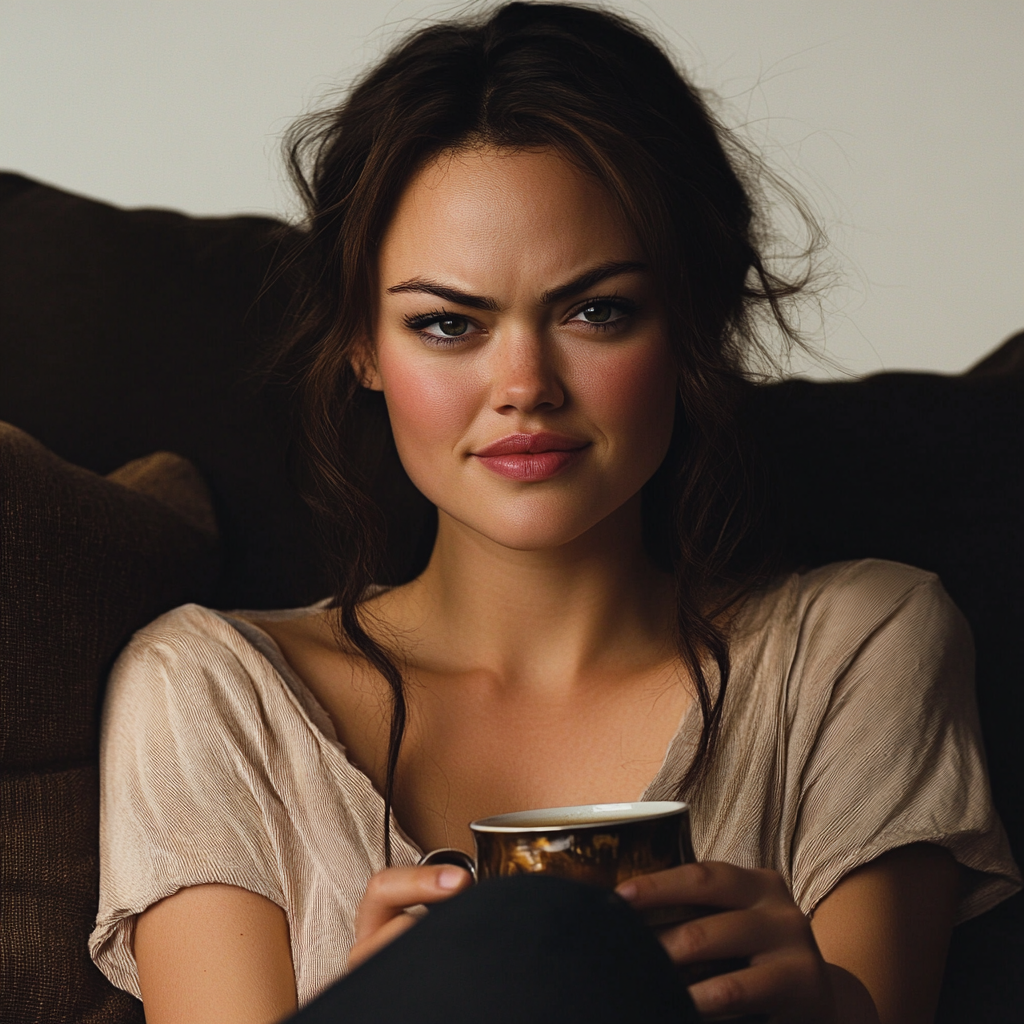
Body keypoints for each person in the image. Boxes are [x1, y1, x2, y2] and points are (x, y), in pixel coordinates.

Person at [88, 4, 1020, 1023]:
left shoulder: (856, 647)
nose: (524, 384)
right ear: (362, 346)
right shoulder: (209, 693)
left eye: (596, 310)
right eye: (448, 323)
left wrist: (827, 1009)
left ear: (694, 320)